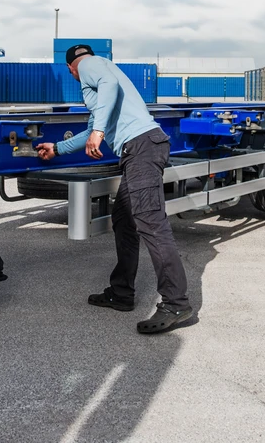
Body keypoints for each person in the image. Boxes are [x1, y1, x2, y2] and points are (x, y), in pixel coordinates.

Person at [36, 44, 194, 334]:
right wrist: (57, 149)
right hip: (141, 149)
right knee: (124, 219)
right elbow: (92, 129)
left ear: (70, 67)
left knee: (151, 223)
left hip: (142, 147)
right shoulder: (102, 81)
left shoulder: (89, 66)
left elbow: (100, 115)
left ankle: (176, 303)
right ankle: (122, 292)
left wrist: (97, 133)